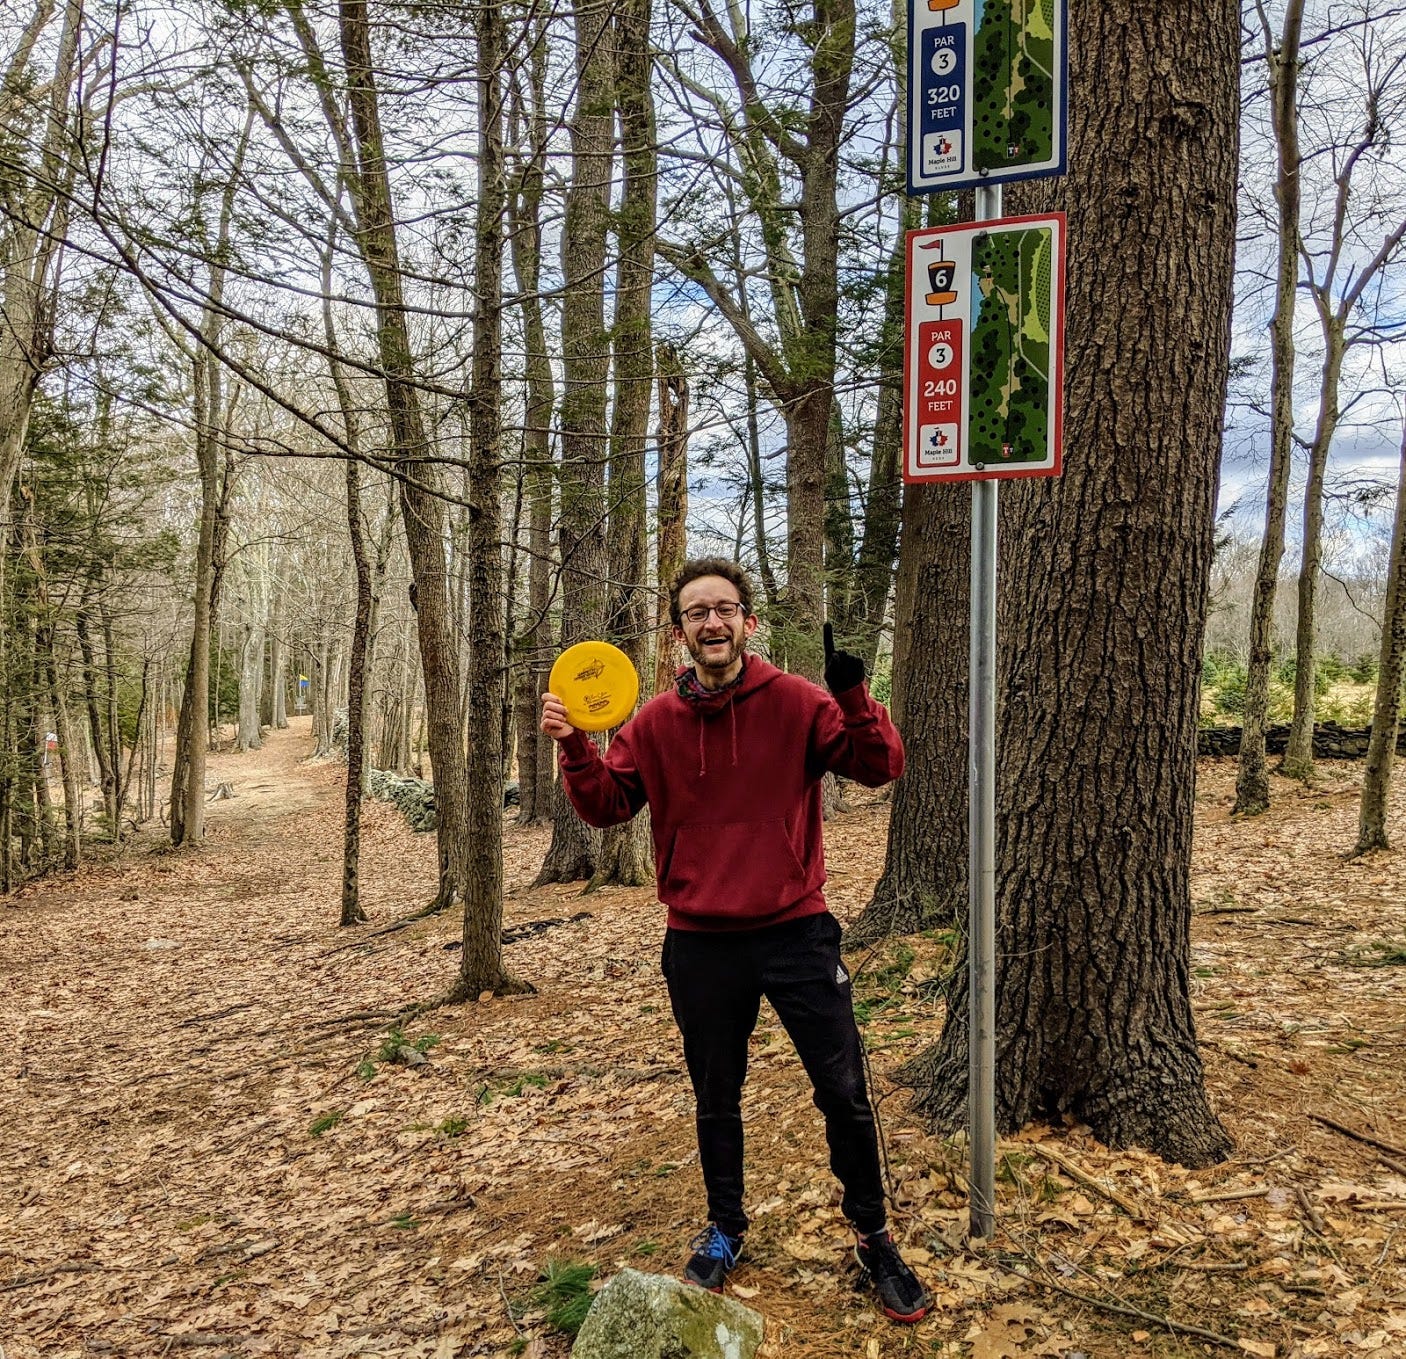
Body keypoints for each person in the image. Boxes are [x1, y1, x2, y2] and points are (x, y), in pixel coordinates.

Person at [539, 557, 930, 1324]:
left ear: (749, 622)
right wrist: (576, 746)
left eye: (724, 609)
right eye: (696, 613)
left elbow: (880, 765)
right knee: (716, 1097)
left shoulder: (797, 702)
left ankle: (873, 1232)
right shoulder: (652, 721)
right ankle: (725, 1228)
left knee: (844, 1091)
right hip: (700, 941)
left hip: (796, 930)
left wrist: (854, 694)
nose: (711, 623)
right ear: (680, 631)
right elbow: (608, 807)